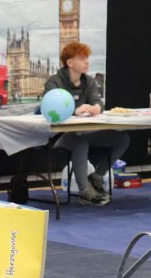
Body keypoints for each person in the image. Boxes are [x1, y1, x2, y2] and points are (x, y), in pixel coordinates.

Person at [44, 42, 129, 206]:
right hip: (59, 135)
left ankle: (96, 177)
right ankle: (85, 191)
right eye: (82, 59)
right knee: (80, 141)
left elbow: (98, 101)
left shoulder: (89, 81)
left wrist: (97, 107)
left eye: (87, 58)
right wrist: (74, 110)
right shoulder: (54, 83)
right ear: (70, 63)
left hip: (85, 132)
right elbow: (48, 109)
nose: (87, 62)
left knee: (122, 138)